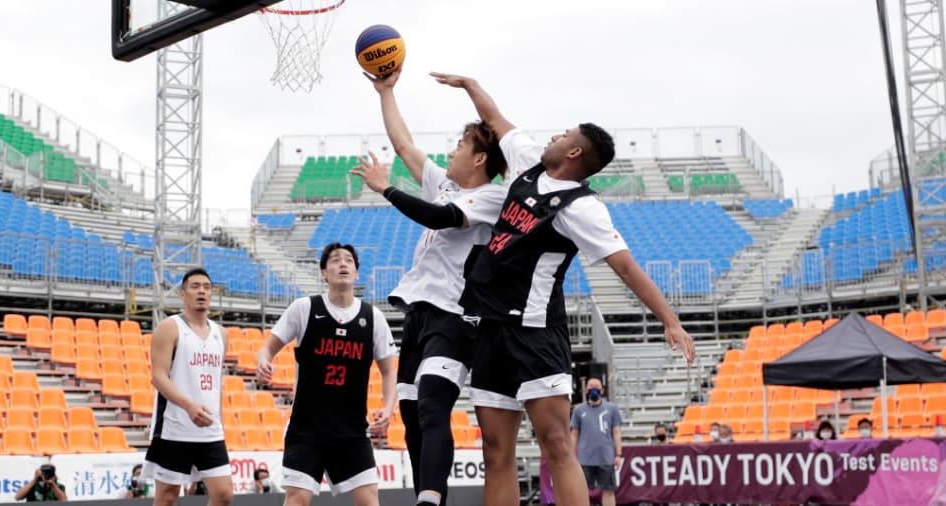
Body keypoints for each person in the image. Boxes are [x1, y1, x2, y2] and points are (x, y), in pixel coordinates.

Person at [430, 72, 697, 506]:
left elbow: (626, 268)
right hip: (491, 325)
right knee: (496, 451)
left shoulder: (583, 209)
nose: (555, 134)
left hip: (536, 331)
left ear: (574, 152)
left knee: (555, 444)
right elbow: (495, 120)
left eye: (565, 134)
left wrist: (670, 321)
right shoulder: (529, 158)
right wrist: (470, 85)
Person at [351, 68, 507, 506]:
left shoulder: (489, 197)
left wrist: (386, 189)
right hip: (419, 312)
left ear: (479, 159)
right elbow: (403, 145)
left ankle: (429, 500)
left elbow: (440, 218)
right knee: (411, 414)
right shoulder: (445, 183)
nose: (452, 151)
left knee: (434, 406)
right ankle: (427, 494)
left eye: (461, 145)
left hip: (455, 316)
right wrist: (386, 92)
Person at [256, 243, 398, 506]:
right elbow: (267, 348)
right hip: (307, 427)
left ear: (356, 273)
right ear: (324, 273)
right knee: (297, 498)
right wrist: (264, 361)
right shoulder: (304, 308)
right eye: (334, 260)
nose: (342, 264)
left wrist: (389, 408)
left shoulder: (374, 317)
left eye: (348, 260)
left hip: (353, 429)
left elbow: (389, 371)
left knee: (370, 501)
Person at [140, 268, 233, 506]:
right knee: (167, 496)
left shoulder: (221, 334)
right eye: (195, 286)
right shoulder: (169, 327)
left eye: (206, 287)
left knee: (223, 495)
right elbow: (158, 377)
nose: (201, 291)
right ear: (182, 294)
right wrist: (188, 406)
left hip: (210, 428)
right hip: (174, 426)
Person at [570, 377, 621, 506]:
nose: (593, 391)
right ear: (586, 390)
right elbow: (574, 434)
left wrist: (618, 454)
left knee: (608, 490)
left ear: (602, 390)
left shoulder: (611, 408)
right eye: (590, 388)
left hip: (606, 457)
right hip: (585, 458)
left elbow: (616, 432)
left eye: (596, 388)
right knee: (581, 491)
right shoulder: (578, 410)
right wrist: (571, 455)